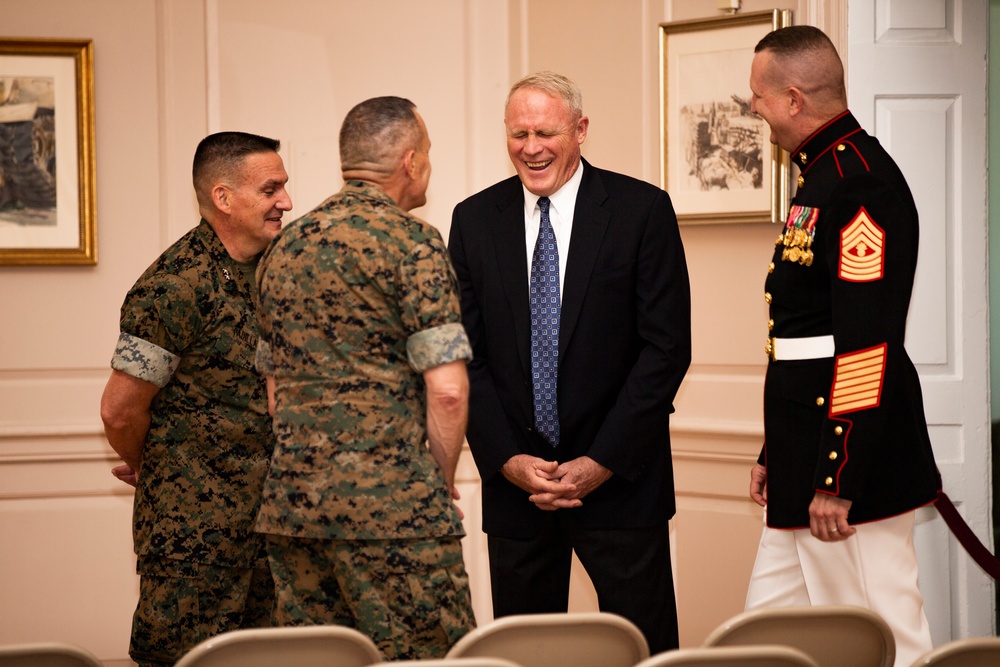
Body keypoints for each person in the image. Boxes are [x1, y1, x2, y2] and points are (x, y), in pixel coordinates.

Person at [448, 71, 691, 654]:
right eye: (518, 134)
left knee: (645, 650)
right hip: (518, 491)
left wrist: (601, 460)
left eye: (546, 132)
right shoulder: (473, 220)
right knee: (525, 656)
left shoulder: (641, 211)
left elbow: (666, 350)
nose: (531, 148)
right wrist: (506, 459)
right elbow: (464, 355)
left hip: (620, 483)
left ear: (580, 130)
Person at [746, 26, 941, 666]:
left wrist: (837, 475)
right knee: (764, 636)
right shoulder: (822, 175)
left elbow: (864, 343)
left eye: (760, 96)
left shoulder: (861, 183)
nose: (755, 109)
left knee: (885, 635)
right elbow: (801, 337)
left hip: (852, 459)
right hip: (804, 448)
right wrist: (776, 451)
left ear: (794, 99)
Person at [254, 96, 476, 661]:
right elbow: (447, 390)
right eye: (426, 151)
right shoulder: (413, 244)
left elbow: (275, 391)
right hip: (394, 514)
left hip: (295, 512)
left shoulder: (282, 248)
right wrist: (437, 480)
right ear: (410, 161)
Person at [100, 131, 292, 666]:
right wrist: (155, 464)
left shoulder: (280, 272)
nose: (286, 201)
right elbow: (119, 410)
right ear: (223, 197)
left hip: (274, 533)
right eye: (271, 188)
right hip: (198, 547)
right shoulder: (174, 287)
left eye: (284, 186)